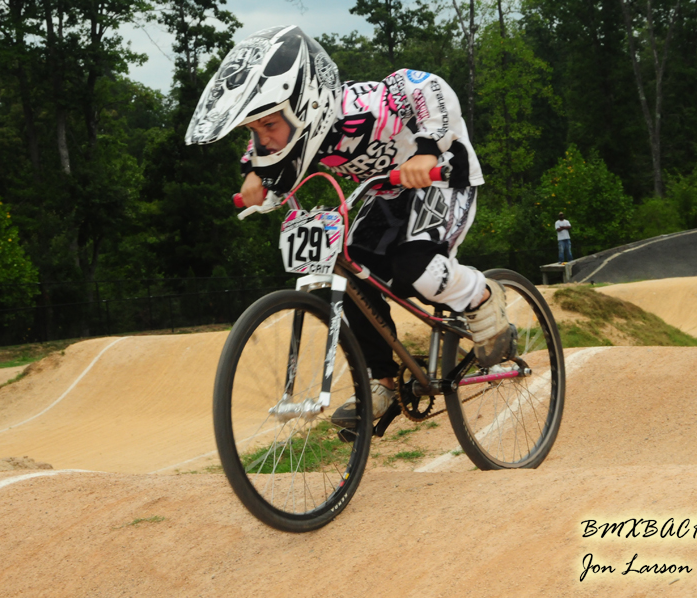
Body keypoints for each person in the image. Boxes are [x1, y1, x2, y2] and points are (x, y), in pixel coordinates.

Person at [186, 25, 516, 427]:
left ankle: (482, 296)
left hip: (442, 178)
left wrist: (428, 149)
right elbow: (269, 153)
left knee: (416, 269)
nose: (263, 138)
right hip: (386, 193)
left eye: (269, 126)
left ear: (303, 107)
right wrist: (253, 172)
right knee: (349, 276)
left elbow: (427, 87)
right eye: (255, 130)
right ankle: (383, 382)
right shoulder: (298, 131)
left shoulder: (363, 106)